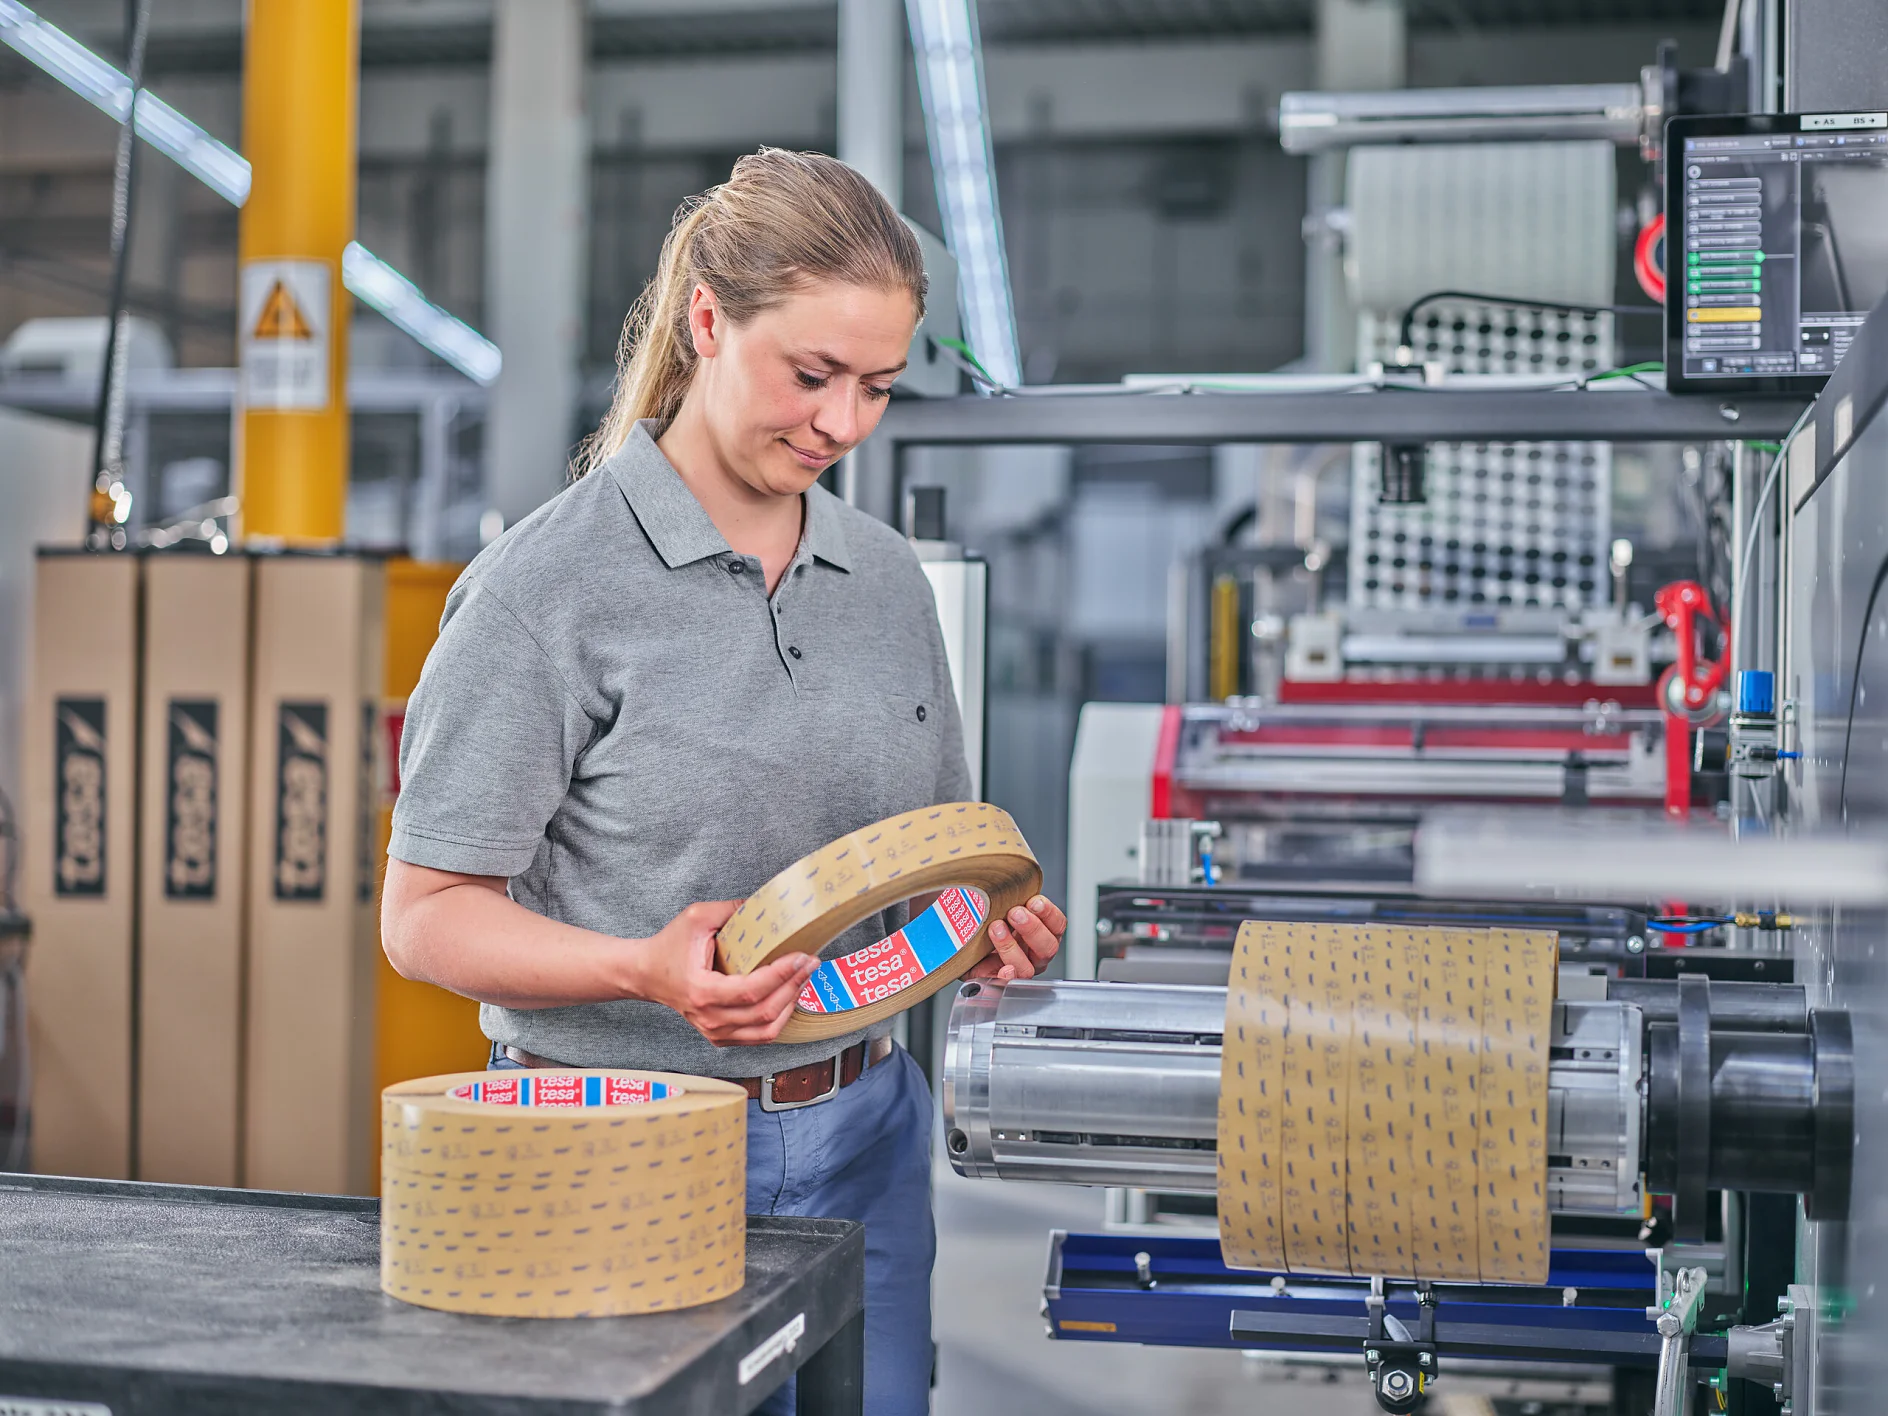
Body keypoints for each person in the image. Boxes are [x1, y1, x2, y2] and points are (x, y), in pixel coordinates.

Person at [380, 147, 1066, 1415]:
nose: (843, 425)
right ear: (707, 320)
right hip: (627, 1142)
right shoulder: (545, 590)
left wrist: (974, 934)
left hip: (871, 1127)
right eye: (811, 376)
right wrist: (642, 967)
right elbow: (424, 916)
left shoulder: (888, 581)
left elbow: (926, 856)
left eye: (876, 387)